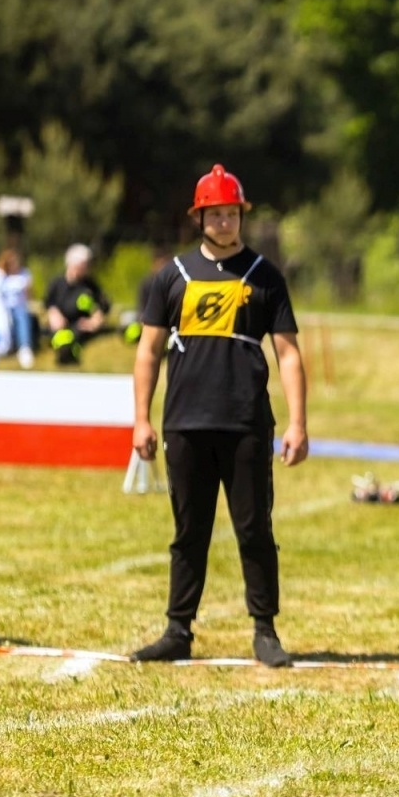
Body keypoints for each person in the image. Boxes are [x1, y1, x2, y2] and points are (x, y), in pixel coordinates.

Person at [130, 164, 309, 667]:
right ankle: (177, 630)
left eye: (233, 213)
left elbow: (289, 354)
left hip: (246, 423)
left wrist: (297, 422)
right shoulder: (172, 276)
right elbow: (147, 352)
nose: (226, 222)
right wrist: (141, 419)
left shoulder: (265, 276)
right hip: (185, 423)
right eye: (217, 213)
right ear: (200, 216)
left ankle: (265, 630)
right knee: (189, 532)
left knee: (254, 530)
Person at [43, 244, 112, 366]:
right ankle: (64, 350)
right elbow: (49, 304)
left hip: (81, 326)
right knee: (57, 335)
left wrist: (94, 321)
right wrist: (54, 314)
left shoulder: (90, 285)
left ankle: (71, 351)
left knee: (77, 333)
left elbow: (102, 307)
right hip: (61, 326)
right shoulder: (57, 283)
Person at [0, 248, 35, 370]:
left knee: (22, 315)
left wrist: (28, 288)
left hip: (18, 309)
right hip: (1, 310)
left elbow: (31, 298)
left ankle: (24, 348)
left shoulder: (24, 275)